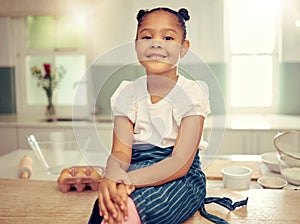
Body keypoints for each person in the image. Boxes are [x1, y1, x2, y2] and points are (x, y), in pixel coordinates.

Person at [88, 7, 247, 224]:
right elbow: (120, 152)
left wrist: (125, 180)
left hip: (182, 177)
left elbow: (180, 161)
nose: (156, 43)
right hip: (136, 168)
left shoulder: (192, 93)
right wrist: (112, 176)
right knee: (108, 203)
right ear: (136, 45)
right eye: (147, 36)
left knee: (139, 205)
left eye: (168, 37)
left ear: (184, 48)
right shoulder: (126, 93)